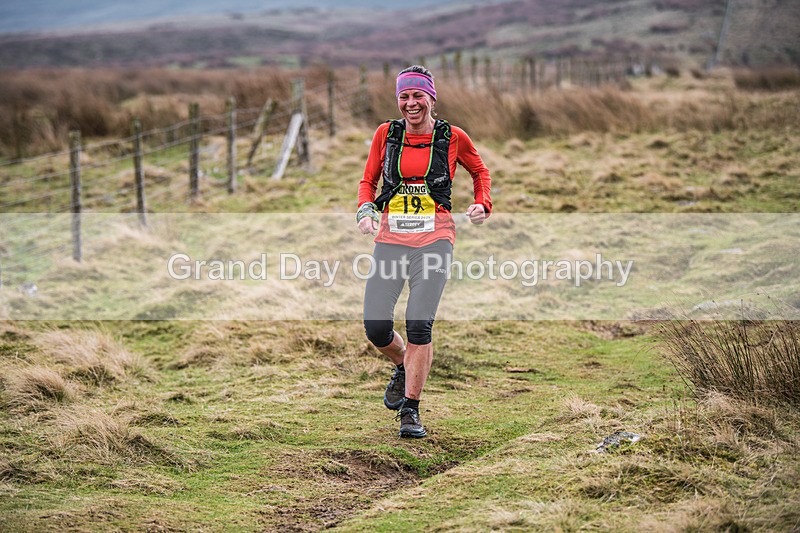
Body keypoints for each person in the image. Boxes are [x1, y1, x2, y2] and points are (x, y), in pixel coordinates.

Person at [356, 65, 492, 438]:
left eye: (418, 96)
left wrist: (483, 205)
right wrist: (365, 210)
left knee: (419, 324)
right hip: (390, 238)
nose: (411, 103)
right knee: (376, 326)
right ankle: (403, 365)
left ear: (432, 98)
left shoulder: (453, 137)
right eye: (404, 96)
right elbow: (368, 180)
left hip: (435, 239)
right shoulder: (386, 134)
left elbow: (480, 173)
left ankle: (411, 411)